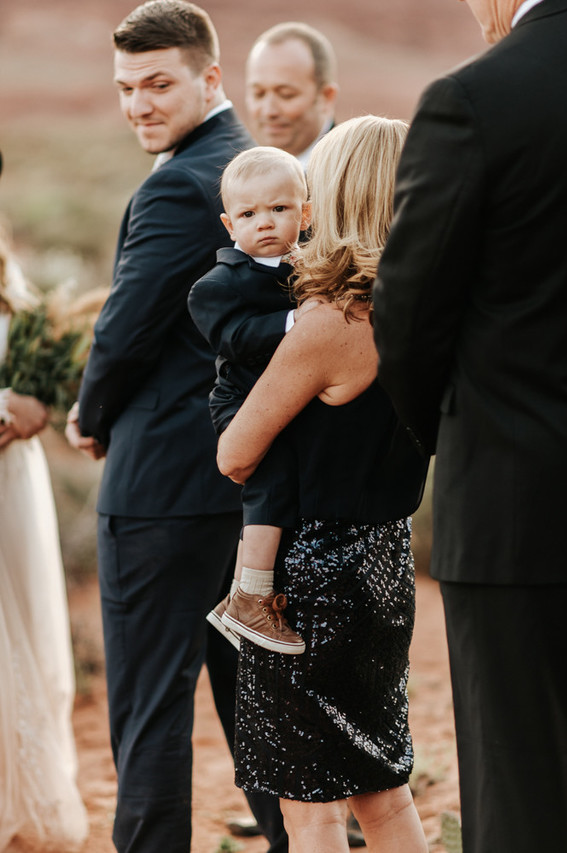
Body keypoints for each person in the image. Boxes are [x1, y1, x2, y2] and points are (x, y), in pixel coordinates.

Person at [64, 3, 287, 852]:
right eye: (126, 88)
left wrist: (89, 413)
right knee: (261, 708)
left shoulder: (177, 183)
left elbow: (124, 328)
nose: (139, 106)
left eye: (158, 84)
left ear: (211, 77)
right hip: (248, 490)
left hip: (158, 489)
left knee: (151, 708)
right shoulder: (256, 166)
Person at [372, 1, 567, 851]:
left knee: (522, 785)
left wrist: (454, 440)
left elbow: (409, 321)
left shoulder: (476, 99)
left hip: (517, 508)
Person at [216, 115, 429, 853]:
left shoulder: (328, 321)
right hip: (386, 561)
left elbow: (236, 455)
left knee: (310, 806)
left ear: (332, 193)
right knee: (385, 788)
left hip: (309, 578)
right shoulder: (424, 305)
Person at [189, 146, 311, 655]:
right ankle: (250, 593)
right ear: (228, 224)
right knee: (271, 472)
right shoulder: (217, 286)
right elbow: (232, 339)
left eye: (280, 209)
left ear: (306, 212)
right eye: (248, 213)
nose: (265, 222)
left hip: (291, 395)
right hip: (241, 399)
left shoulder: (314, 266)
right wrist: (294, 324)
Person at [0, 155, 89, 851]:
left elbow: (38, 380)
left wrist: (31, 406)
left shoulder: (15, 289)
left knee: (23, 625)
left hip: (11, 478)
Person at [245, 22, 338, 169]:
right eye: (259, 94)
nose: (269, 111)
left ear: (326, 97)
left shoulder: (353, 176)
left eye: (286, 95)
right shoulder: (239, 173)